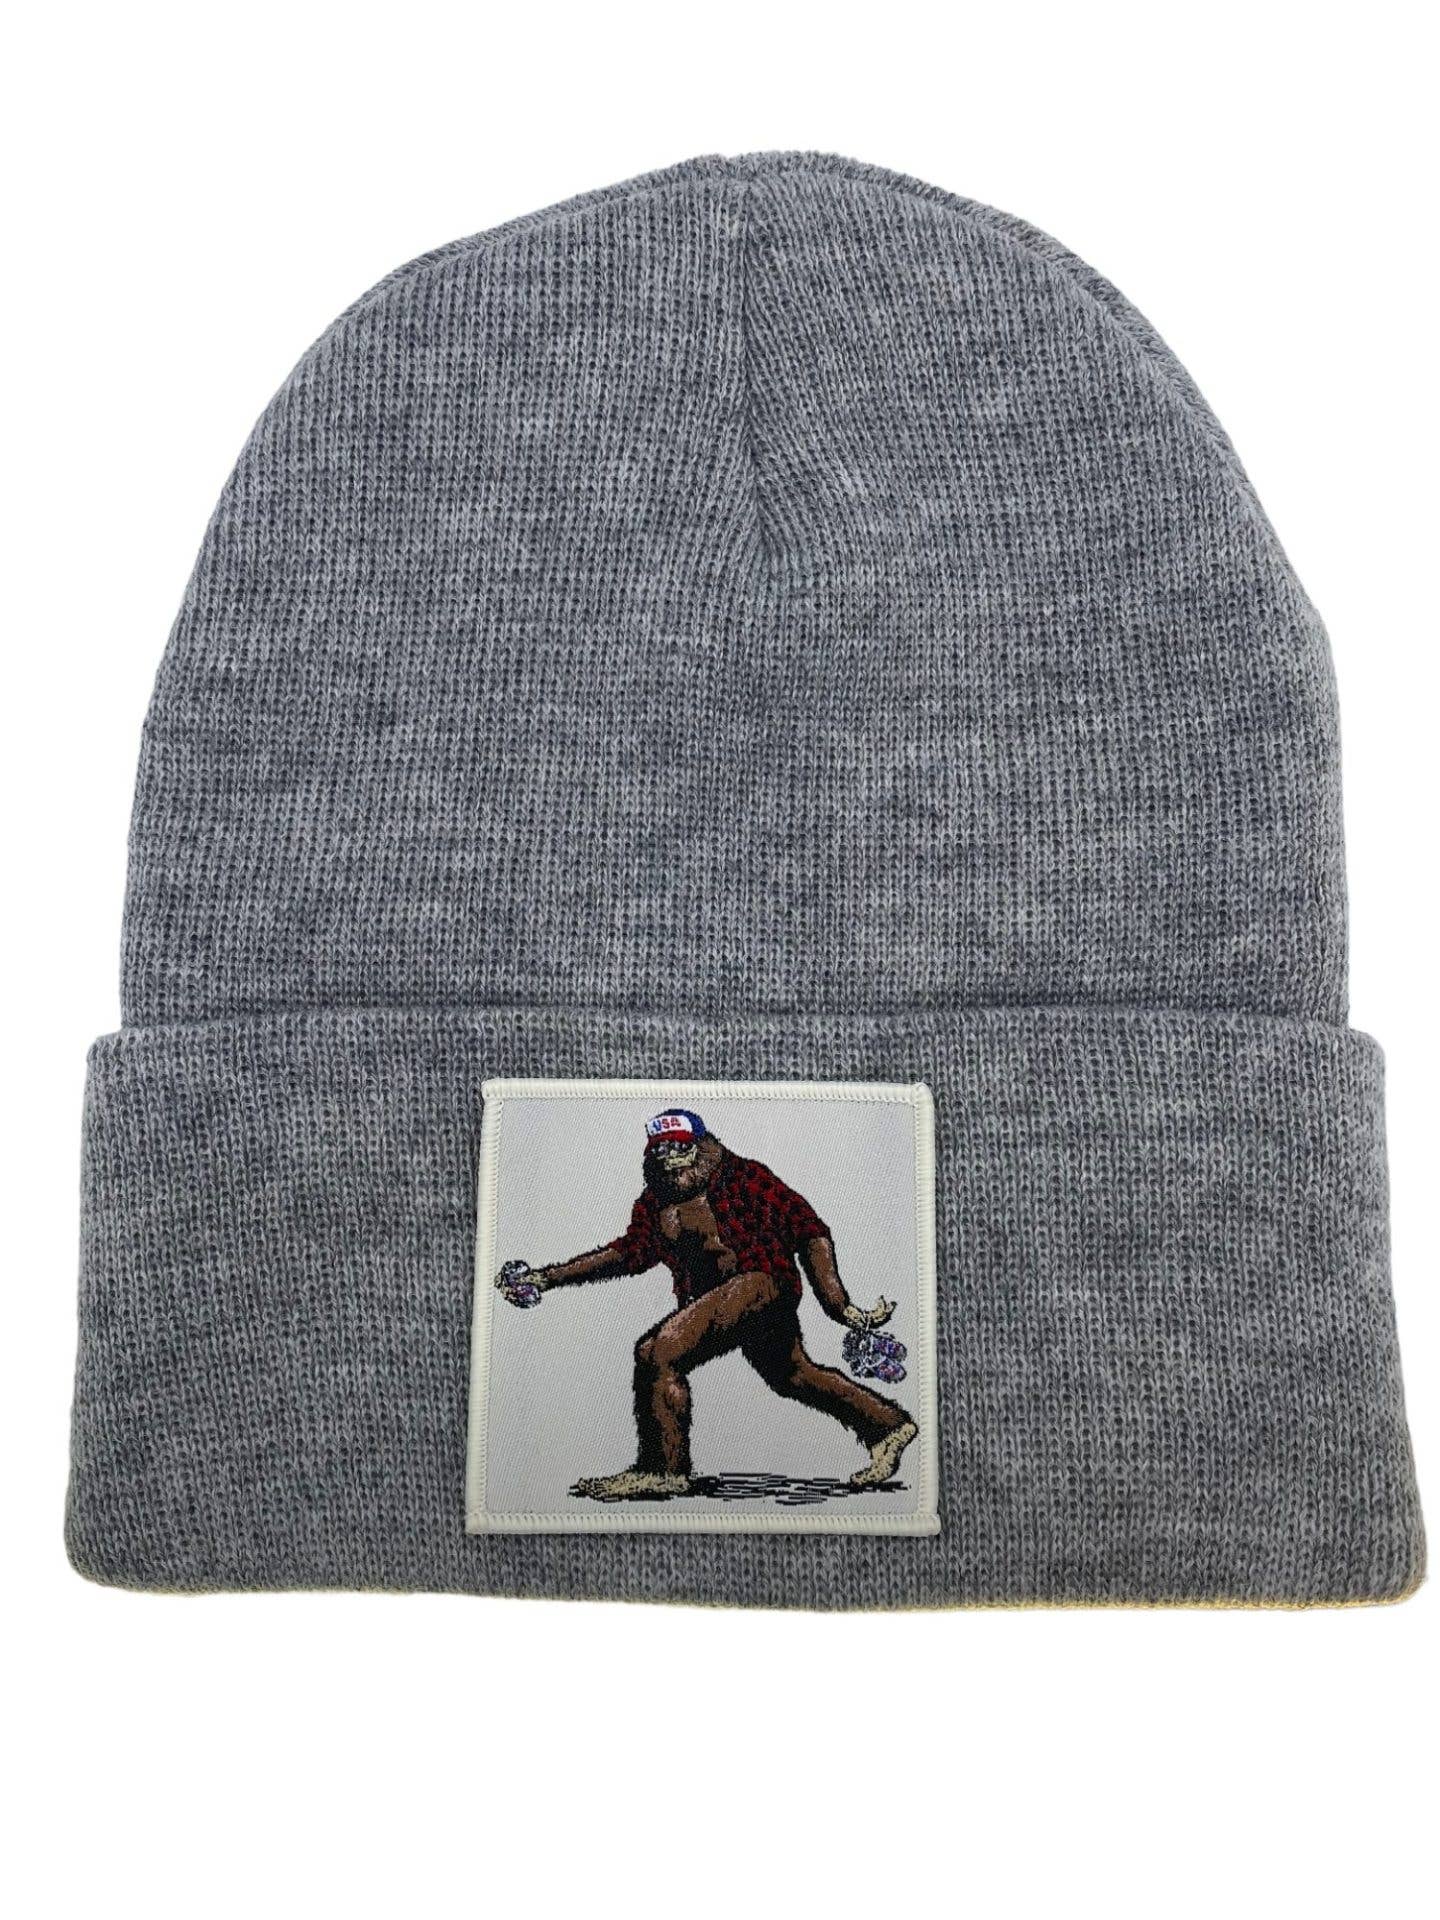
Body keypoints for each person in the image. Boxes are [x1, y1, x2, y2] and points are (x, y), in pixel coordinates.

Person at [504, 1108, 918, 1500]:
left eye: (680, 1148)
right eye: (661, 1151)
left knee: (657, 1352)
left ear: (704, 1147)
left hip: (761, 1284)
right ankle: (888, 1426)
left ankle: (663, 1470)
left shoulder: (745, 1177)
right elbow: (627, 1254)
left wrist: (838, 1305)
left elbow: (808, 1229)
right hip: (723, 1303)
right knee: (792, 1375)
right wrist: (548, 1277)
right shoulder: (654, 1203)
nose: (670, 1160)